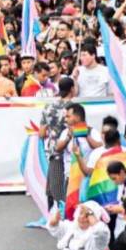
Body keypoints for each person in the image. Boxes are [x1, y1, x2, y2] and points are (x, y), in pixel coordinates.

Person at [38, 77, 76, 210]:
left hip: (54, 149)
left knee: (54, 183)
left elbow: (42, 133)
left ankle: (53, 213)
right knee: (65, 186)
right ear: (72, 88)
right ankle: (64, 213)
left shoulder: (48, 107)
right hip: (70, 150)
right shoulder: (75, 109)